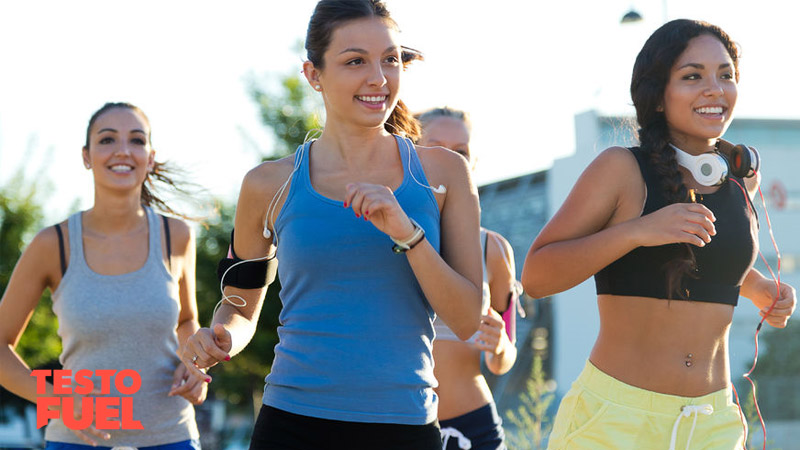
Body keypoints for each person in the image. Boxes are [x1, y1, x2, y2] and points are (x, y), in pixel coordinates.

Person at [180, 1, 483, 449]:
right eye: (355, 61)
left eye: (391, 59)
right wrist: (222, 336)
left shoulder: (444, 174)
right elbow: (240, 306)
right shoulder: (269, 184)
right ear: (313, 74)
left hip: (405, 426)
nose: (379, 78)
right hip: (292, 423)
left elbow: (466, 316)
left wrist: (408, 234)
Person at [521, 20, 796, 449]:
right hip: (615, 422)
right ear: (659, 97)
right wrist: (637, 232)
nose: (714, 88)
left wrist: (761, 289)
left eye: (726, 75)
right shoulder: (619, 168)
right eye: (692, 76)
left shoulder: (740, 178)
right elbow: (537, 276)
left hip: (714, 425)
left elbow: (710, 267)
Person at [0, 102, 205, 449]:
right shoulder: (53, 244)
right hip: (77, 441)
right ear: (86, 155)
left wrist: (193, 365)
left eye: (136, 140)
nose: (123, 150)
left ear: (150, 157)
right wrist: (58, 402)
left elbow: (186, 322)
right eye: (107, 140)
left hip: (171, 436)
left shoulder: (178, 237)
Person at [416, 107, 519, 450]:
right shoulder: (378, 232)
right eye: (434, 147)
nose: (448, 159)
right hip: (397, 426)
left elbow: (503, 359)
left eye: (460, 152)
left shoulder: (493, 248)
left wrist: (501, 345)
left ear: (472, 164)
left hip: (473, 428)